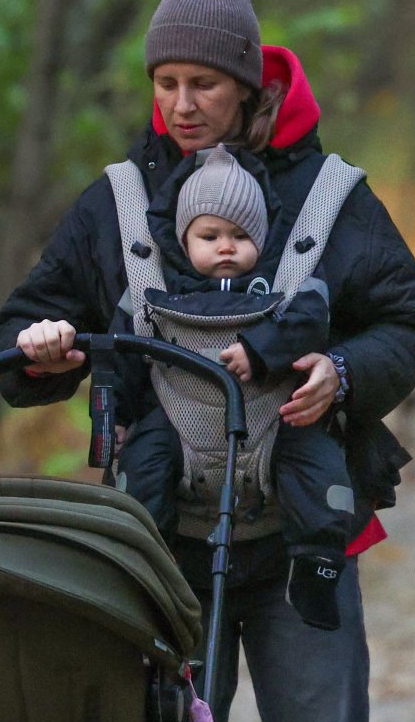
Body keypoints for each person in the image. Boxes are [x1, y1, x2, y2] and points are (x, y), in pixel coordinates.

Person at [0, 0, 415, 722]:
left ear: (247, 83)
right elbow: (21, 335)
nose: (182, 104)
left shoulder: (329, 195)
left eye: (203, 82)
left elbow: (412, 325)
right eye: (165, 81)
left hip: (303, 537)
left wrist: (342, 372)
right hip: (161, 545)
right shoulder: (117, 204)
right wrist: (42, 345)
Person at [114, 143, 354, 632]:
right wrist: (118, 413)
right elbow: (126, 346)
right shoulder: (159, 288)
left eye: (241, 235)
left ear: (262, 241)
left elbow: (311, 319)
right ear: (183, 240)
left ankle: (318, 565)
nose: (226, 246)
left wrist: (262, 348)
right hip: (178, 408)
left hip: (269, 409)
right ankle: (147, 567)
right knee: (141, 468)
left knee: (318, 465)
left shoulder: (282, 283)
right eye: (210, 235)